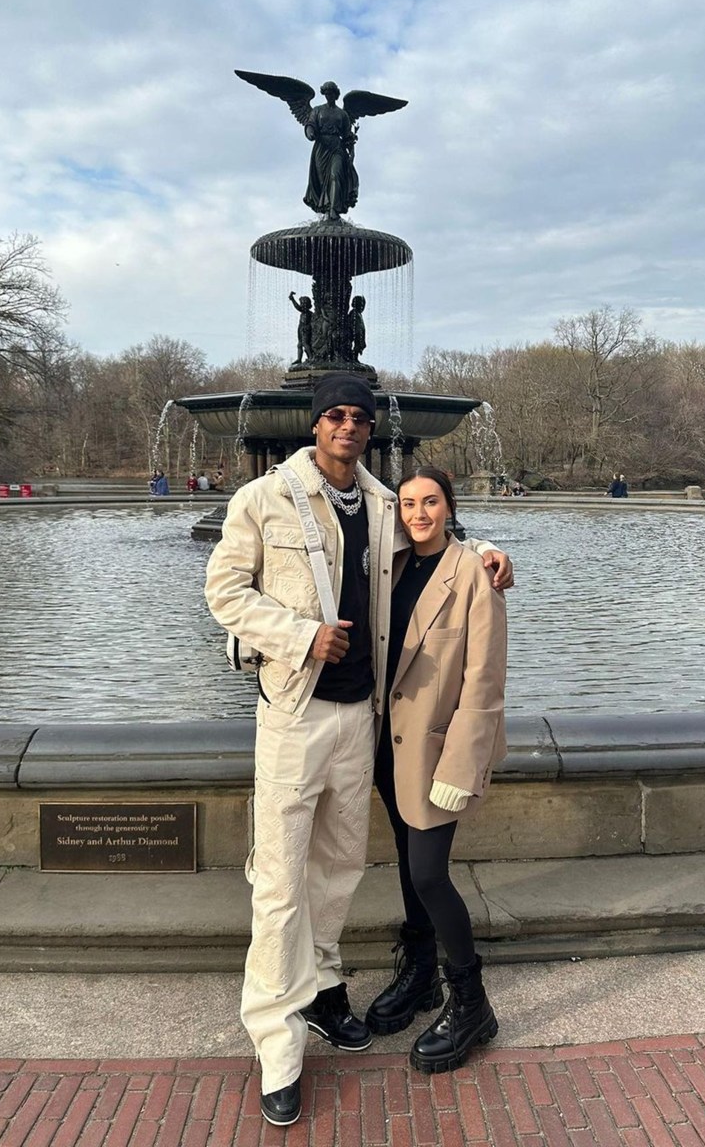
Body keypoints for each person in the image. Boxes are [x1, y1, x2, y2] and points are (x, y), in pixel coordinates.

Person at [204, 374, 512, 1127]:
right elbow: (223, 591)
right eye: (335, 415)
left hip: (361, 720)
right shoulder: (263, 499)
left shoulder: (380, 502)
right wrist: (301, 635)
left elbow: (438, 542)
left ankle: (322, 990)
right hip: (294, 714)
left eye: (358, 416)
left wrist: (488, 551)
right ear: (316, 425)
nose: (347, 425)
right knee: (280, 878)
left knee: (340, 868)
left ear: (370, 428)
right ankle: (277, 1046)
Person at [366, 466, 506, 1074]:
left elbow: (485, 680)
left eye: (430, 502)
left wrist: (465, 760)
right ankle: (421, 973)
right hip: (383, 746)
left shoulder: (475, 571)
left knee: (428, 873)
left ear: (449, 507)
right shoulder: (388, 567)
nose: (417, 513)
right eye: (407, 504)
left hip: (436, 753)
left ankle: (471, 1002)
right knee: (405, 860)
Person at [304, 82, 358, 220]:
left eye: (331, 93)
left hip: (337, 147)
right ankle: (326, 208)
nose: (329, 96)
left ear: (336, 94)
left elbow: (346, 134)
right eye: (326, 93)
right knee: (323, 182)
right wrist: (310, 133)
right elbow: (310, 124)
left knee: (336, 175)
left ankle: (334, 209)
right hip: (321, 147)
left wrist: (351, 141)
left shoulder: (342, 114)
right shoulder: (317, 110)